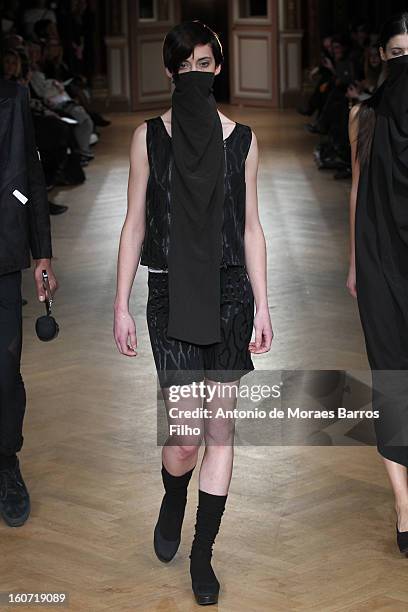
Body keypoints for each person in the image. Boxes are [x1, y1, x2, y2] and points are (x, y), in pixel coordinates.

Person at [113, 20, 273, 606]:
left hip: (231, 291)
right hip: (172, 292)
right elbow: (133, 223)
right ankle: (172, 497)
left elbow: (252, 228)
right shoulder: (148, 137)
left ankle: (202, 556)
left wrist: (264, 303)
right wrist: (120, 302)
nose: (195, 74)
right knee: (183, 438)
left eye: (204, 64)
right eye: (185, 66)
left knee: (219, 429)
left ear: (218, 68)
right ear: (170, 72)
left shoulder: (245, 140)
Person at [347, 11, 408, 555]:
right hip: (379, 258)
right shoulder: (363, 117)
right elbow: (358, 189)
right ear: (384, 59)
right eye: (398, 54)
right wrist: (353, 261)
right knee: (391, 376)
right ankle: (403, 505)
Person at [0, 77, 58, 526]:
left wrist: (42, 253)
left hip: (3, 254)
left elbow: (32, 176)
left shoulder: (14, 96)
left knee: (4, 368)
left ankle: (6, 462)